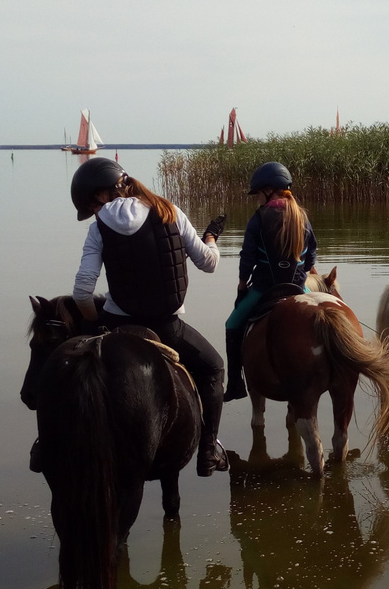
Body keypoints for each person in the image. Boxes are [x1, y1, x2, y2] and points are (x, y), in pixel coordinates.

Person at [69, 157, 230, 475]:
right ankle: (208, 450)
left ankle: (46, 445)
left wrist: (92, 322)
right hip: (168, 328)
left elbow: (82, 293)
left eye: (92, 204)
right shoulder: (171, 212)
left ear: (102, 195)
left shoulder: (98, 228)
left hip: (119, 325)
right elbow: (209, 263)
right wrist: (211, 239)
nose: (96, 211)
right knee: (214, 368)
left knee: (69, 369)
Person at [222, 161, 317, 401]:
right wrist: (302, 272)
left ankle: (234, 384)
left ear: (268, 190)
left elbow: (248, 257)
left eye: (258, 194)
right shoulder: (302, 215)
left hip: (265, 288)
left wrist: (243, 283)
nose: (257, 199)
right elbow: (312, 253)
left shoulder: (259, 218)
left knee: (232, 324)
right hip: (298, 287)